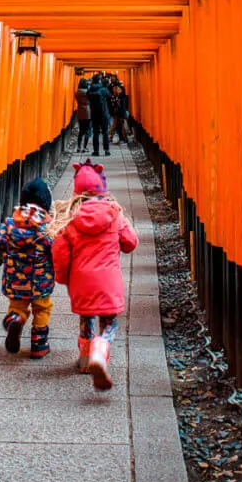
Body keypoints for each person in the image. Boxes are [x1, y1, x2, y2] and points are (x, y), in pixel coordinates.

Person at [50, 160, 138, 390]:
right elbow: (130, 243)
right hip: (109, 281)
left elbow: (59, 252)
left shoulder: (71, 219)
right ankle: (101, 349)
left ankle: (85, 359)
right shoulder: (115, 214)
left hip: (81, 281)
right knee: (109, 322)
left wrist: (62, 277)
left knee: (86, 319)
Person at [0, 177, 55, 358]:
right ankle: (39, 344)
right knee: (42, 309)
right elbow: (57, 248)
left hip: (15, 279)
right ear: (46, 203)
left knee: (17, 306)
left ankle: (15, 320)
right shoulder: (46, 227)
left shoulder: (10, 223)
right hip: (40, 282)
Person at [87, 76, 111, 157]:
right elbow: (109, 96)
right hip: (104, 112)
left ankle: (96, 151)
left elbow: (88, 98)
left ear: (93, 80)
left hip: (94, 113)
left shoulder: (90, 89)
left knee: (96, 132)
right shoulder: (104, 89)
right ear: (100, 81)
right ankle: (106, 150)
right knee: (105, 132)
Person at [74, 78, 92, 152]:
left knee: (81, 130)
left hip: (80, 111)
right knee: (87, 130)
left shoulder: (77, 93)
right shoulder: (88, 92)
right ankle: (84, 147)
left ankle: (78, 147)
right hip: (87, 112)